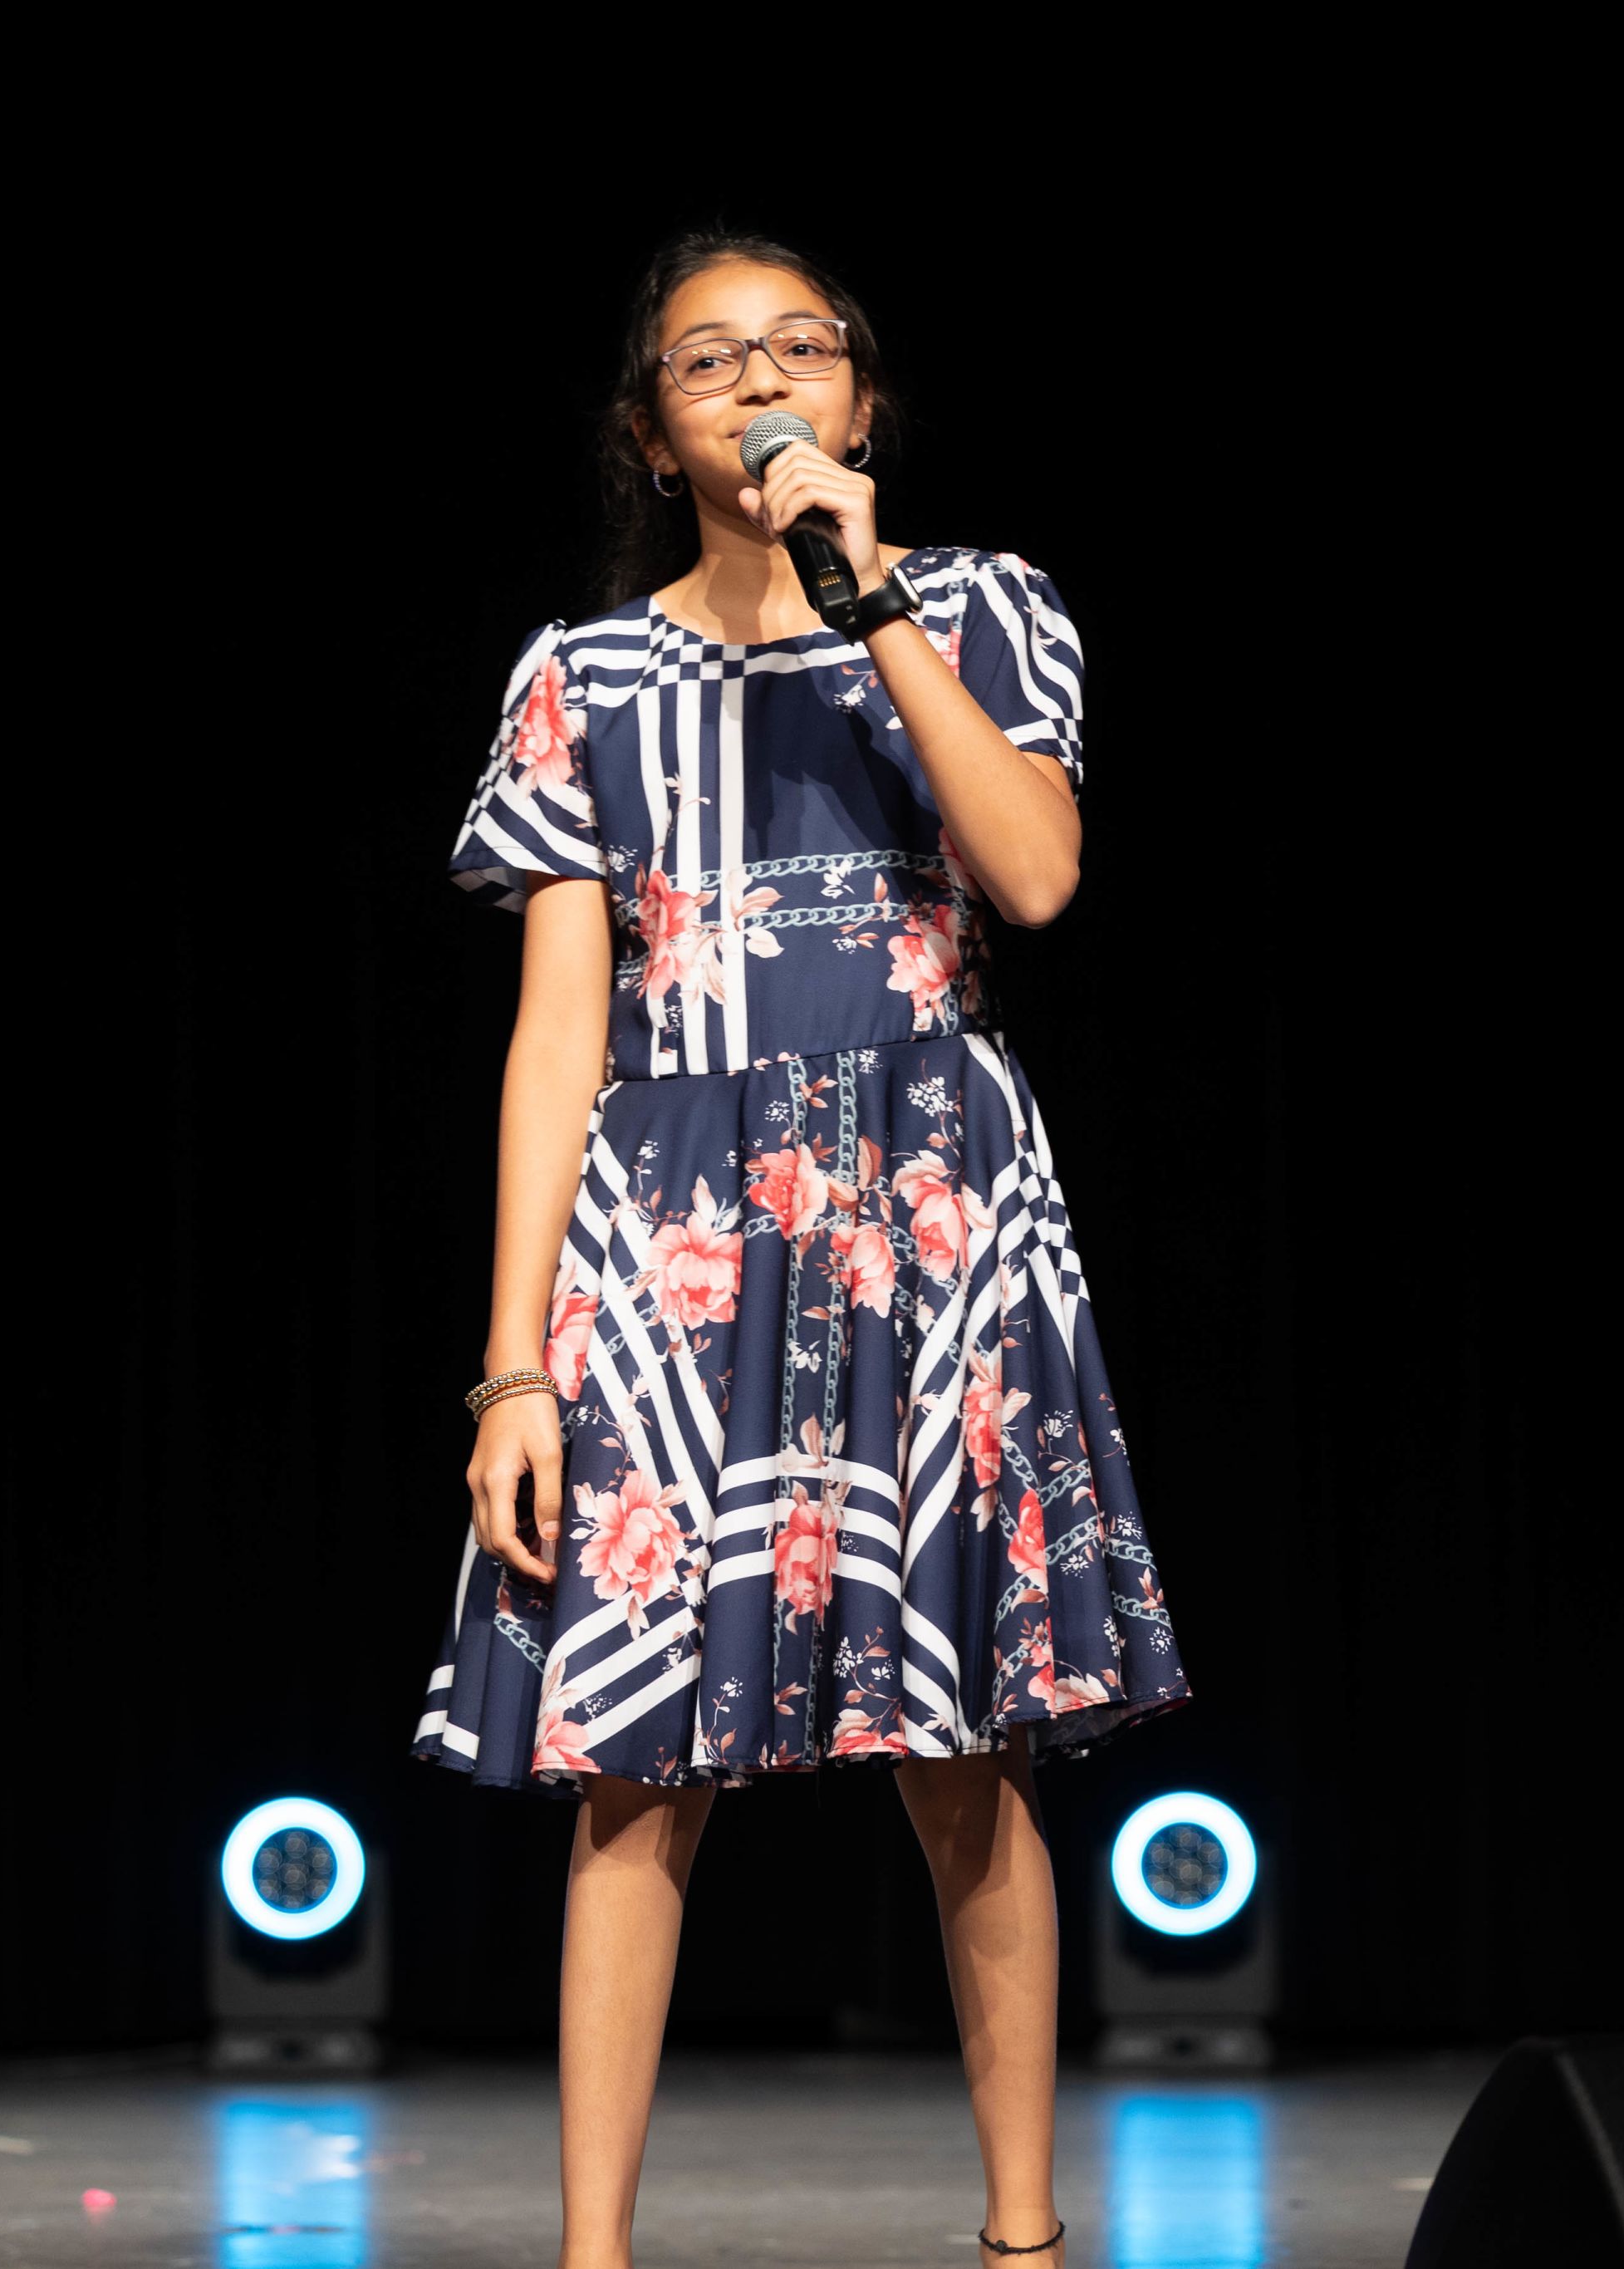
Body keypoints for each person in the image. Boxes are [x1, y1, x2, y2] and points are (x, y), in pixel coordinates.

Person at [410, 228, 1193, 2269]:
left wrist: (875, 604)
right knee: (633, 1757)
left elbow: (1032, 872)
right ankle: (593, 2253)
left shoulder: (988, 607)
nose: (760, 381)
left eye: (800, 347)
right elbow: (555, 1034)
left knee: (968, 1740)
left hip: (928, 1198)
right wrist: (513, 1367)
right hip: (675, 1225)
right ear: (649, 432)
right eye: (708, 360)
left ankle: (1020, 2237)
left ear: (858, 400)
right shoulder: (582, 677)